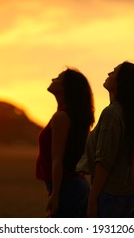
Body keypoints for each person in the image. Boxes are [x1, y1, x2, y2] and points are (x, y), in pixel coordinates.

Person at [79, 61, 134, 217]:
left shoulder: (112, 113)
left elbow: (104, 160)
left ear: (122, 82)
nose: (109, 74)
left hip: (111, 196)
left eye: (114, 72)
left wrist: (93, 197)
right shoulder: (129, 113)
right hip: (128, 193)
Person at [36, 68, 94, 217]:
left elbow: (57, 159)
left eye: (58, 78)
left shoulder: (61, 116)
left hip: (67, 187)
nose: (53, 79)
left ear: (66, 87)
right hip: (73, 186)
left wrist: (55, 194)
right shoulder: (68, 115)